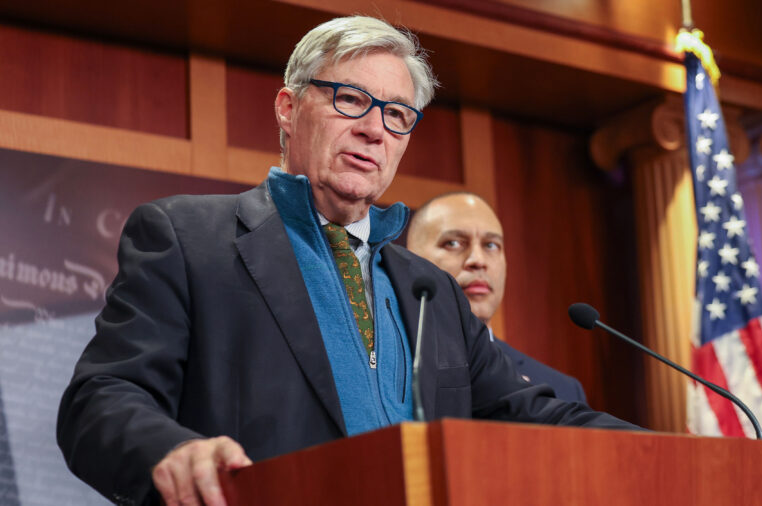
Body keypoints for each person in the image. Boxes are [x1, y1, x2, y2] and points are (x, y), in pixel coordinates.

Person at [56, 16, 639, 506]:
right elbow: (99, 400)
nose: (373, 131)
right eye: (351, 99)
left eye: (397, 115)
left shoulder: (431, 291)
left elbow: (532, 414)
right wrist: (173, 452)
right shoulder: (186, 238)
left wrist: (670, 449)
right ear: (288, 108)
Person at [406, 192, 588, 403]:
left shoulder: (561, 390)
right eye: (453, 243)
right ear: (411, 260)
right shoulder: (384, 372)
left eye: (491, 245)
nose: (478, 260)